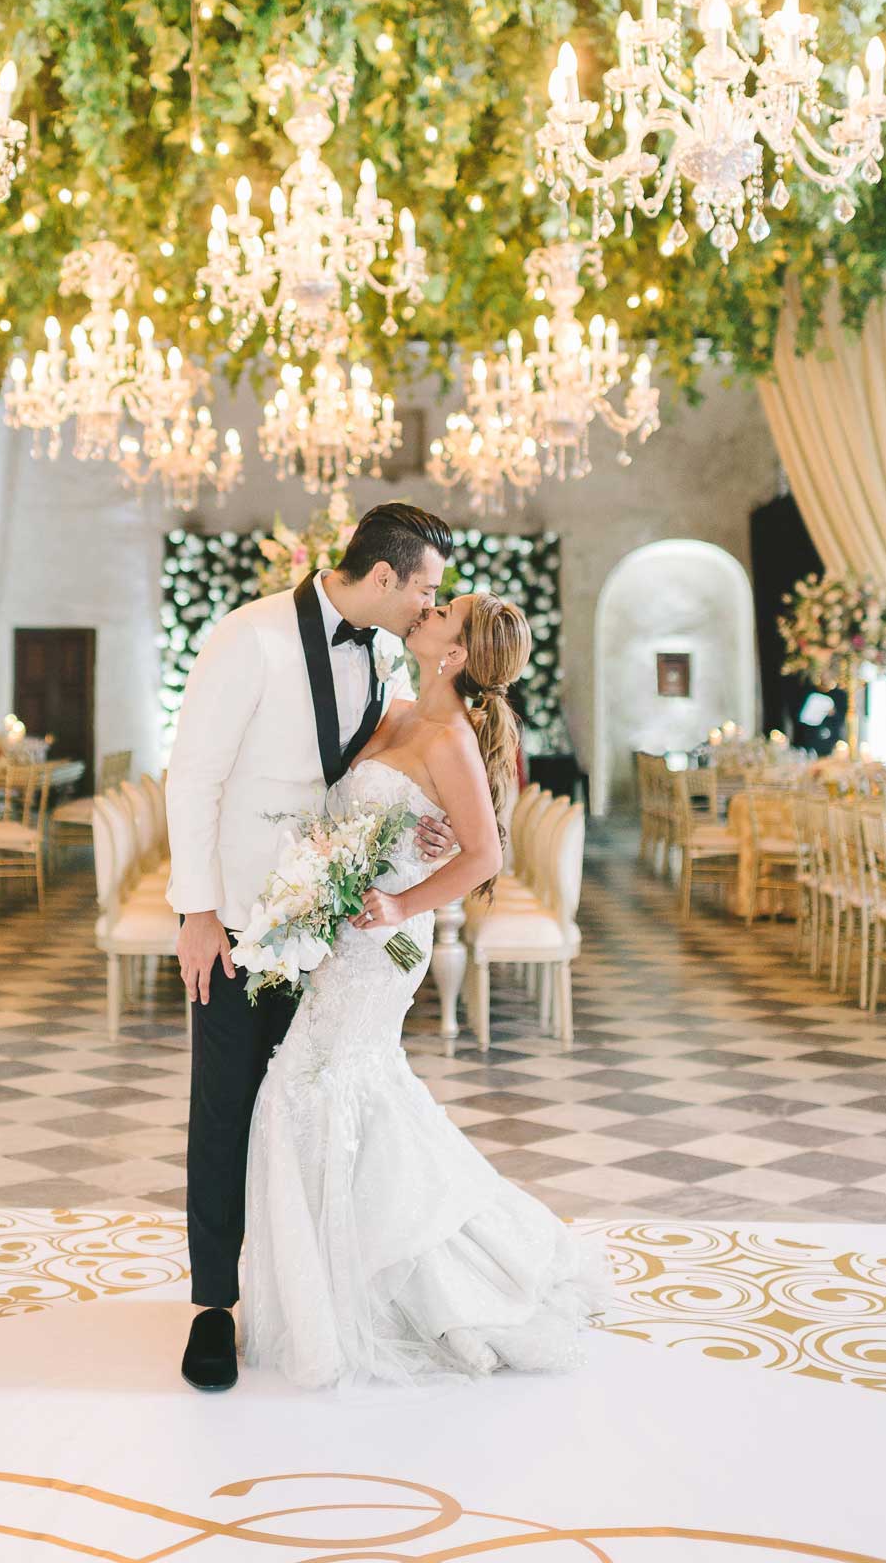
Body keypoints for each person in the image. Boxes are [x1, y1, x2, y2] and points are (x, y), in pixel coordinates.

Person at [242, 589, 607, 1387]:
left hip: (383, 941)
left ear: (455, 654)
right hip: (343, 931)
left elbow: (483, 856)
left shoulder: (448, 738)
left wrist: (402, 901)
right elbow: (355, 804)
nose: (426, 609)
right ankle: (396, 1278)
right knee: (340, 1095)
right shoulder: (394, 707)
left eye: (443, 613)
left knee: (318, 1091)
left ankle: (402, 1290)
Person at [165, 502, 457, 1393]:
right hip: (243, 921)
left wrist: (416, 837)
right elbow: (193, 774)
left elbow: (357, 785)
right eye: (426, 590)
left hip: (332, 933)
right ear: (382, 578)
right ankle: (214, 1307)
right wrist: (197, 911)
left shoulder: (375, 656)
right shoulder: (247, 636)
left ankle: (298, 1291)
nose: (429, 607)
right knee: (224, 1108)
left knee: (298, 1115)